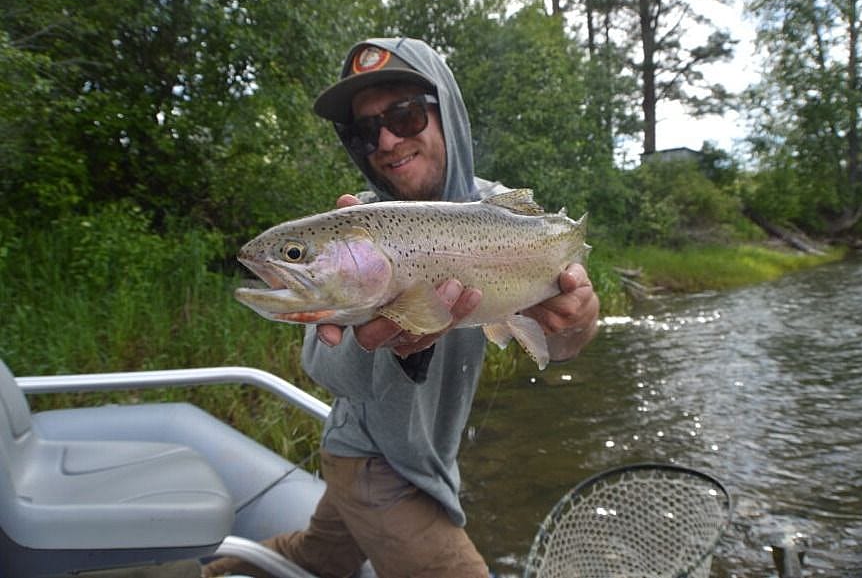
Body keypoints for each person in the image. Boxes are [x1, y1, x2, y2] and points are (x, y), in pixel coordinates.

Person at [203, 37, 600, 578]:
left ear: (447, 115)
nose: (386, 140)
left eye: (406, 115)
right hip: (373, 463)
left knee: (316, 558)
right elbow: (323, 366)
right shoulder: (355, 220)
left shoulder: (508, 218)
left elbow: (561, 345)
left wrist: (580, 317)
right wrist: (382, 333)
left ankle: (216, 571)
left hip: (426, 458)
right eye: (364, 130)